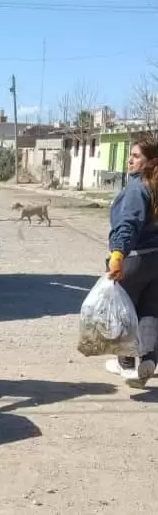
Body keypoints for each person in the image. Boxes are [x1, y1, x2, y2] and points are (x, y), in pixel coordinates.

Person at [105, 138, 158, 388]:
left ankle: (125, 363)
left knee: (125, 311)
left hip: (136, 258)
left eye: (136, 156)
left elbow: (128, 223)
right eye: (130, 155)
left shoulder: (138, 188)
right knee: (149, 311)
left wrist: (117, 254)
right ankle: (148, 360)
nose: (130, 160)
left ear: (150, 161)